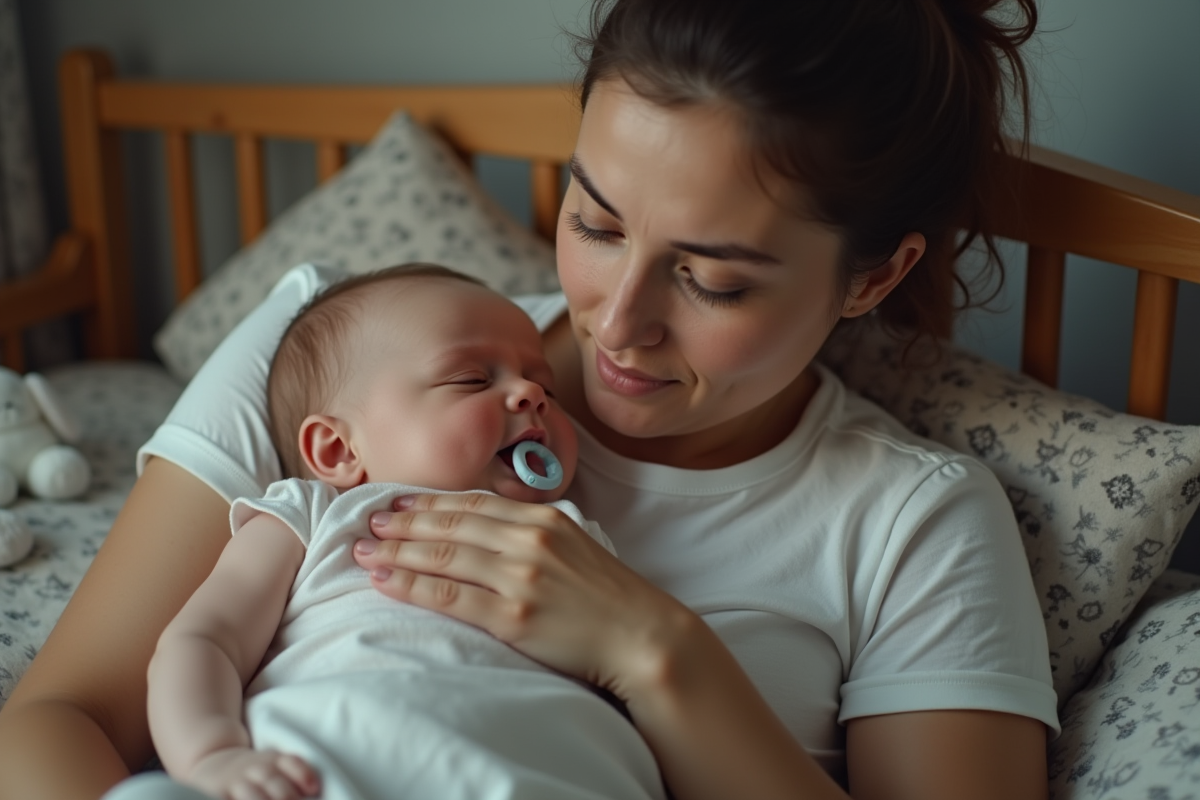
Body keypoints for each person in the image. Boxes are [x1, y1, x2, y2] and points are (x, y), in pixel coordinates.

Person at [0, 1, 1059, 798]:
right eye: (595, 221)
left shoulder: (916, 519)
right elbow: (59, 718)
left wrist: (653, 651)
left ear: (871, 278)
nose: (617, 320)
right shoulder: (341, 352)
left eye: (713, 279)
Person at [103, 264, 665, 800]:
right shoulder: (313, 514)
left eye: (547, 389)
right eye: (471, 379)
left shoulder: (571, 537)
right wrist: (211, 755)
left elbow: (631, 680)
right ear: (339, 450)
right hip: (322, 766)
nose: (532, 395)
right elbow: (205, 640)